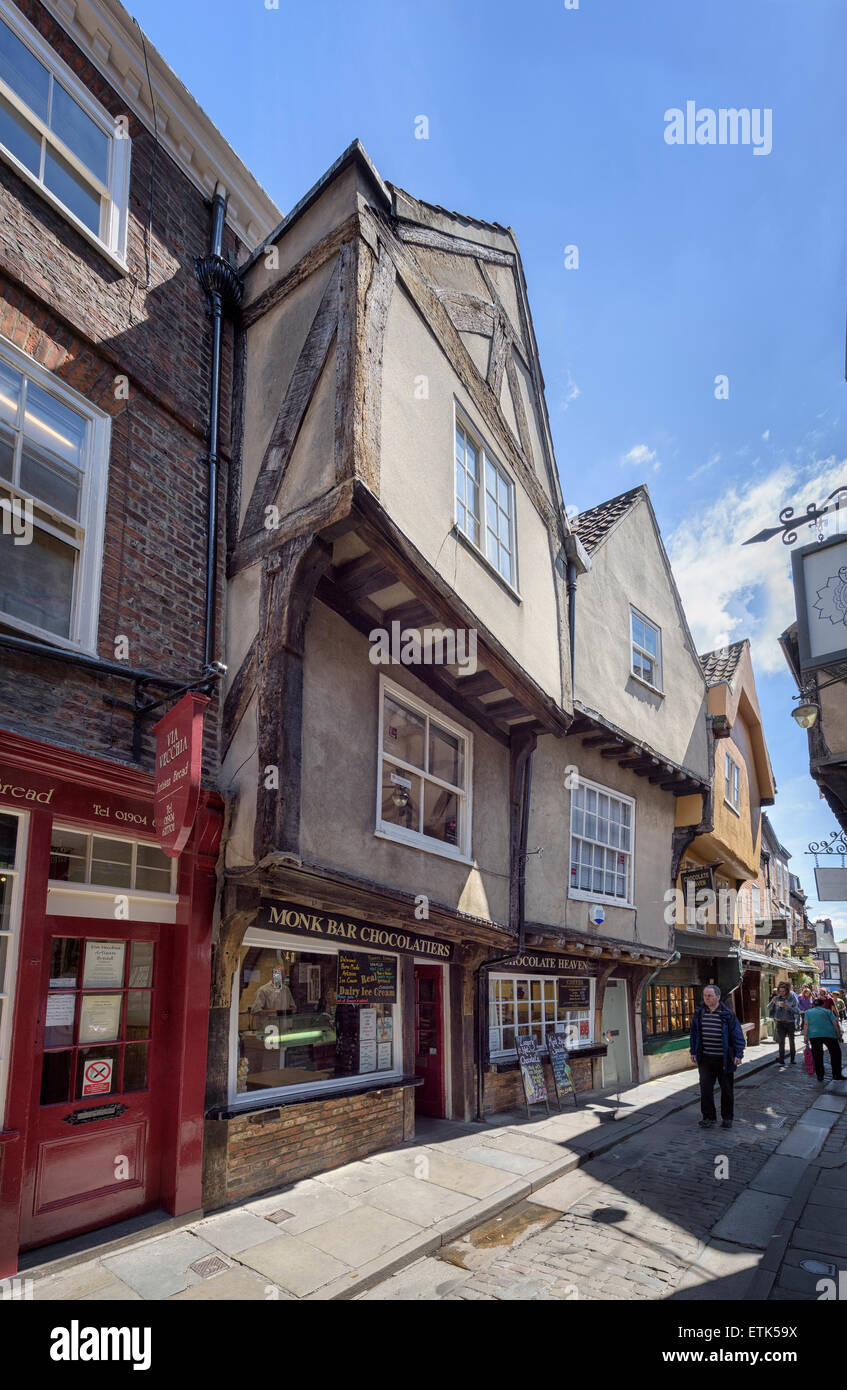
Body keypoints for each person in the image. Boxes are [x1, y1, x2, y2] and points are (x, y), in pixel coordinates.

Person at [689, 984, 746, 1129]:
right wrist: (693, 1051)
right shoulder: (699, 1012)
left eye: (710, 996)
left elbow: (737, 1036)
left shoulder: (728, 1015)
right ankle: (708, 1117)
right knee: (705, 1089)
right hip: (706, 1058)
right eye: (705, 996)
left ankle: (727, 1118)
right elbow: (694, 1034)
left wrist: (739, 1054)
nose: (706, 999)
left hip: (724, 1059)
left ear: (718, 997)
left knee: (726, 1090)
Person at [803, 996, 845, 1083]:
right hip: (829, 1034)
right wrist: (839, 1035)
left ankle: (820, 1075)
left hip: (814, 1035)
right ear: (823, 1005)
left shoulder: (808, 1012)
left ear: (813, 1005)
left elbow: (806, 1024)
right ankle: (837, 1074)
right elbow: (835, 1024)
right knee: (835, 1054)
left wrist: (805, 1037)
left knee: (817, 1056)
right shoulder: (828, 1011)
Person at [768, 982, 800, 1065]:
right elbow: (768, 1007)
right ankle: (781, 1058)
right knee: (781, 1041)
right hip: (780, 1023)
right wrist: (773, 1002)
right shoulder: (777, 998)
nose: (781, 993)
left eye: (783, 991)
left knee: (791, 1041)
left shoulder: (792, 998)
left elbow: (797, 1011)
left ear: (787, 991)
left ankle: (792, 1059)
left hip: (790, 1022)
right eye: (780, 991)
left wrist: (787, 1007)